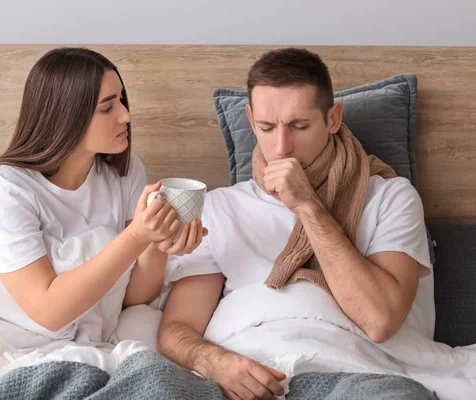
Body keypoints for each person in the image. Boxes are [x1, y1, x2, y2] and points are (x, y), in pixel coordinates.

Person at [158, 48, 439, 400]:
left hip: (354, 371)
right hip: (241, 370)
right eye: (266, 127)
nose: (281, 147)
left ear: (333, 119)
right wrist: (216, 363)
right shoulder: (219, 207)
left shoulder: (391, 198)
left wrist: (309, 206)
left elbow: (379, 320)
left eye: (299, 126)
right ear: (250, 119)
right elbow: (177, 329)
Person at [0, 47, 207, 353]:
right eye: (107, 107)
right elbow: (48, 312)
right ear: (65, 115)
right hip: (12, 327)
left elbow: (132, 296)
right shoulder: (6, 187)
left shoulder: (124, 170)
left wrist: (158, 244)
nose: (126, 115)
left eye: (121, 100)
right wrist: (137, 236)